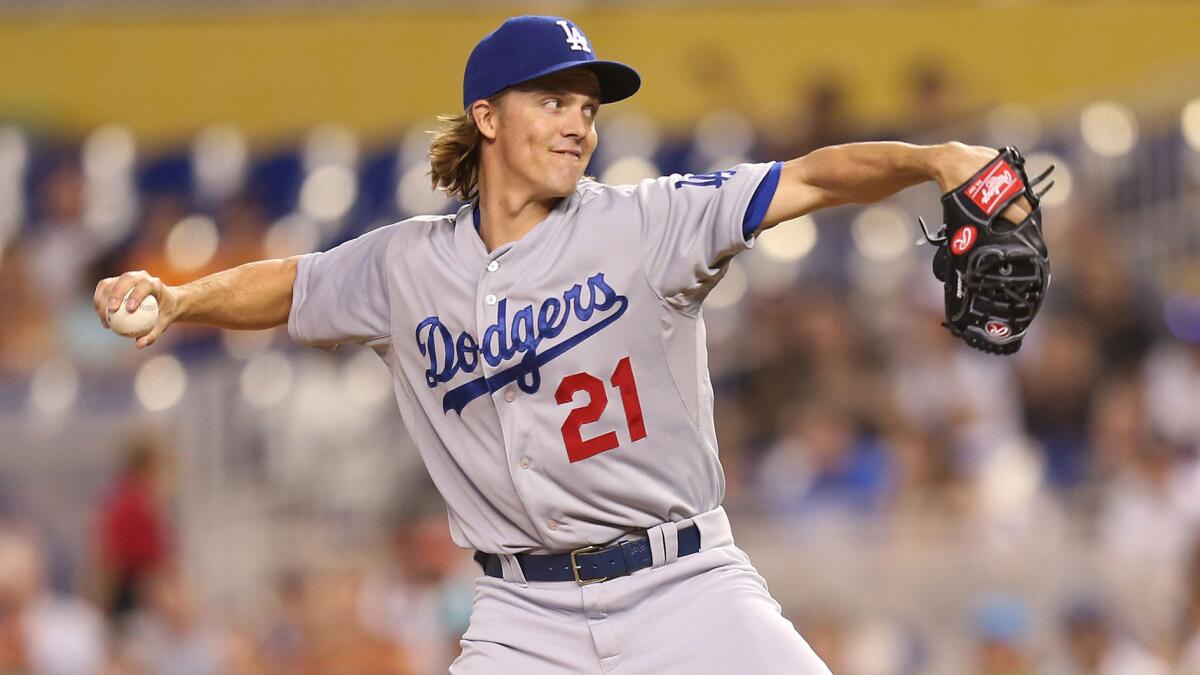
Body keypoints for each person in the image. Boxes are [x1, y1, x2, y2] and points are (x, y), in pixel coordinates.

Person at [94, 15, 1031, 673]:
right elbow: (293, 283)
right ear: (488, 118)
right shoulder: (405, 264)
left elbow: (813, 178)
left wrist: (934, 161)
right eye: (552, 100)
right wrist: (181, 299)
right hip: (520, 615)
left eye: (588, 105)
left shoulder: (650, 221)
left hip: (684, 586)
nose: (579, 121)